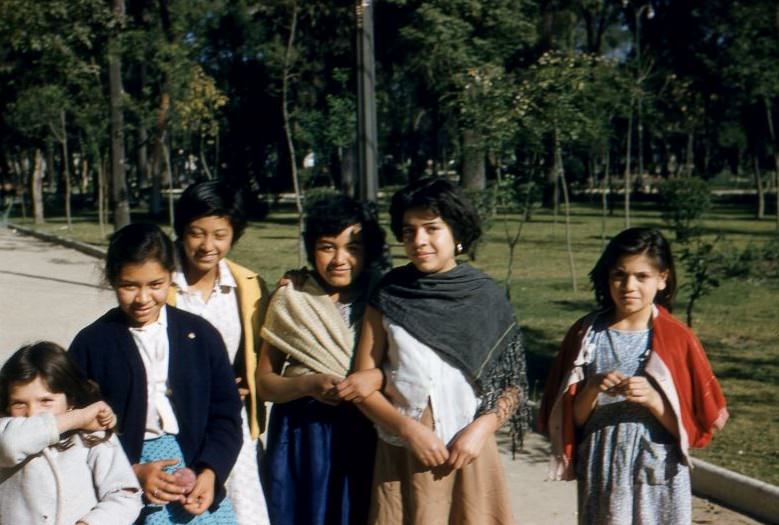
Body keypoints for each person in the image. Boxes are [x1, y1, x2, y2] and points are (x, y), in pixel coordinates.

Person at [350, 177, 529, 524]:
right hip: (403, 452)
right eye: (409, 231)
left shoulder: (485, 297)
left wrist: (481, 431)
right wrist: (408, 430)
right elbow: (360, 386)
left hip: (469, 453)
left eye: (432, 229)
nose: (419, 241)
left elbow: (513, 385)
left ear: (456, 231)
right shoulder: (389, 293)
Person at [539, 227, 728, 524]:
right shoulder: (587, 335)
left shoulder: (677, 338)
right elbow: (573, 419)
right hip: (602, 464)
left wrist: (654, 401)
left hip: (658, 467)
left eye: (642, 276)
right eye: (619, 274)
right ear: (607, 276)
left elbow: (690, 428)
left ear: (662, 278)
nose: (629, 285)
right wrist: (590, 389)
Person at [69, 222, 243, 525]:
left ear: (171, 277)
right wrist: (131, 472)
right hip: (121, 480)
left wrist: (211, 471)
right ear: (112, 280)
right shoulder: (92, 344)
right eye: (129, 286)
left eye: (155, 284)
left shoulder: (200, 335)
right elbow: (77, 429)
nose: (142, 298)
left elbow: (226, 414)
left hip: (195, 473)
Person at [256, 194, 386, 525]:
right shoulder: (293, 299)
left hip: (367, 427)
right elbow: (265, 383)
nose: (339, 259)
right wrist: (307, 384)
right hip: (304, 433)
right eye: (327, 247)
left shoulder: (384, 296)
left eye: (353, 248)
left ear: (368, 251)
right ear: (312, 249)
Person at [169, 181, 270, 525]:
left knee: (244, 509)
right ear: (182, 231)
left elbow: (255, 354)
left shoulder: (246, 285)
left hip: (228, 421)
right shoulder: (161, 283)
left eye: (220, 234)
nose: (207, 246)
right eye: (197, 233)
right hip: (174, 420)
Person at [0, 341, 142, 525]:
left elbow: (124, 494)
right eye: (19, 403)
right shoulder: (6, 431)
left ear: (71, 399)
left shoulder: (92, 437)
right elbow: (11, 446)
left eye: (46, 401)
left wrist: (90, 523)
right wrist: (78, 418)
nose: (33, 413)